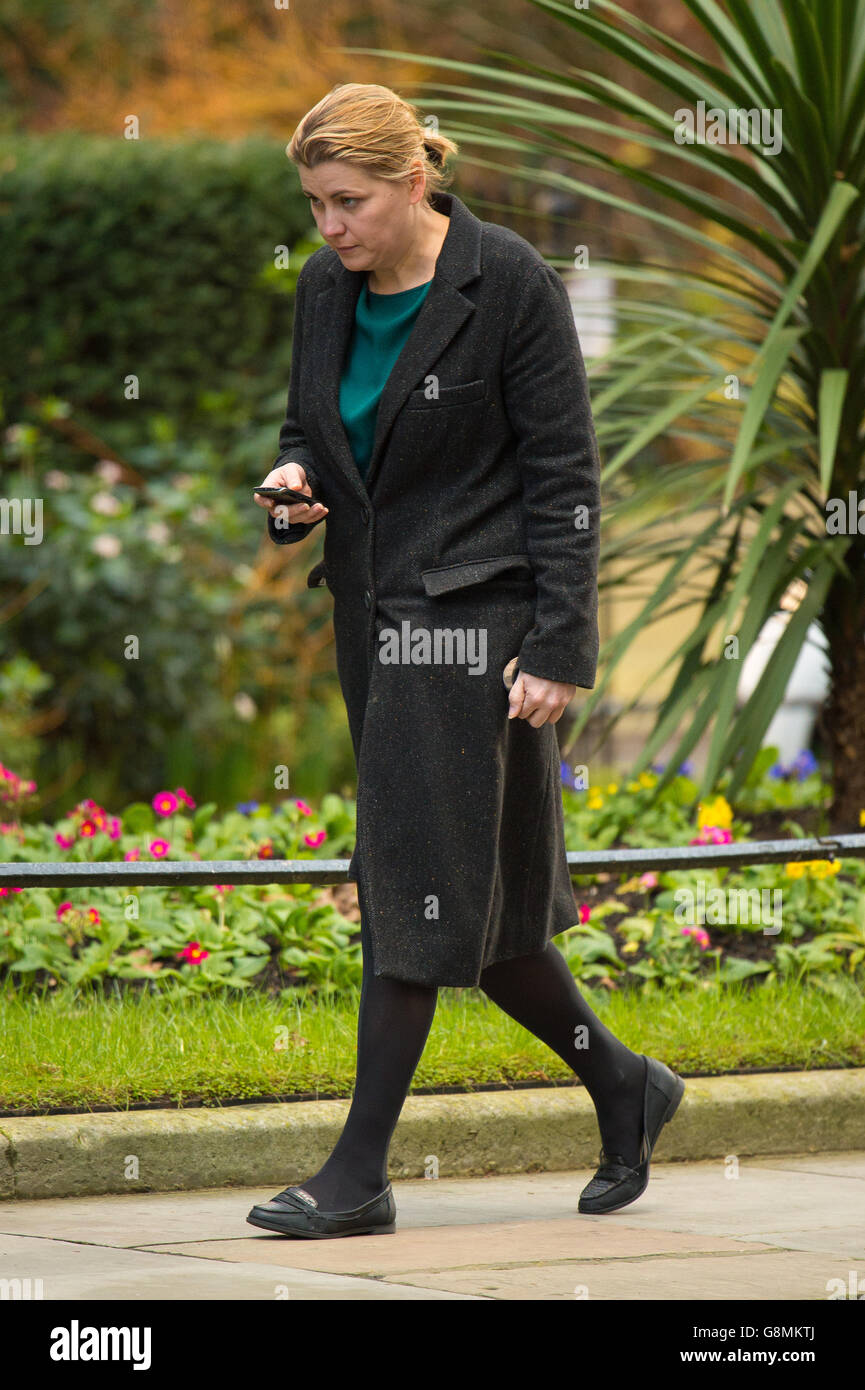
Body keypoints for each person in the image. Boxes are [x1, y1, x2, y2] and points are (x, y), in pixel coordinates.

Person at [249, 83, 684, 1238]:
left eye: (347, 202)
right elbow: (312, 429)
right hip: (372, 620)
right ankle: (626, 1085)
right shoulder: (322, 292)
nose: (329, 226)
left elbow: (565, 478)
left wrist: (559, 647)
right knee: (479, 917)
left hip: (472, 628)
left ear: (412, 182)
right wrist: (295, 489)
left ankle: (357, 1174)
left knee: (405, 879)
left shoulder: (510, 287)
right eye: (314, 204)